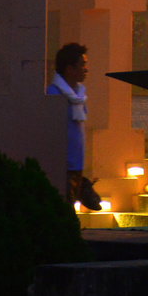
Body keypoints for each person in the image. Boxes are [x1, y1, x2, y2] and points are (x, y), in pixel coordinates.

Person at [47, 42, 101, 209]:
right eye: (82, 65)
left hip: (76, 166)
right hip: (61, 166)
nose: (86, 69)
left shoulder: (79, 96)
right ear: (70, 69)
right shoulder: (53, 95)